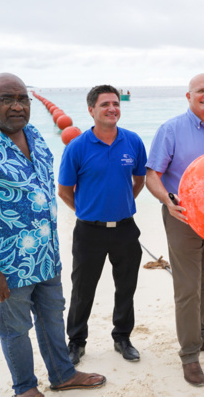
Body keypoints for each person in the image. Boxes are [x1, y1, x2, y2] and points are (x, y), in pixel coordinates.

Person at [0, 73, 106, 397]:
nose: (17, 106)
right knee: (15, 328)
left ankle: (62, 374)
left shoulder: (33, 134)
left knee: (52, 316)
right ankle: (25, 388)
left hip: (46, 256)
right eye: (7, 99)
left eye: (22, 99)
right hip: (8, 265)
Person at [145, 73, 204, 387]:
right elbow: (152, 176)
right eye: (201, 90)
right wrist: (167, 199)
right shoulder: (171, 129)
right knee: (187, 288)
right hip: (182, 217)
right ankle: (189, 355)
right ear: (188, 96)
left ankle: (203, 337)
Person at [58, 85, 147, 365]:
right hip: (89, 232)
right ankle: (76, 341)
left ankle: (122, 337)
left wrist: (122, 205)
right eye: (105, 104)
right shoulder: (77, 147)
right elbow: (64, 190)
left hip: (125, 229)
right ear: (91, 110)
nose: (112, 108)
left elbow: (140, 179)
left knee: (126, 287)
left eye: (116, 103)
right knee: (82, 289)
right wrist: (86, 211)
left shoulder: (132, 141)